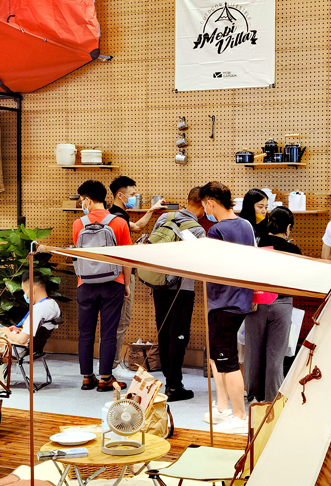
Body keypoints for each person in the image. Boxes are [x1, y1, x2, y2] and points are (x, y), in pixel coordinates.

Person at [199, 181, 254, 435]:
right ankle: (223, 408)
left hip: (224, 302)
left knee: (227, 361)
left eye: (204, 205)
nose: (205, 210)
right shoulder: (246, 225)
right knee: (219, 356)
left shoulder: (216, 230)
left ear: (210, 203)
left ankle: (240, 415)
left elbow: (212, 266)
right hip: (240, 299)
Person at [145, 188, 206, 402]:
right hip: (182, 289)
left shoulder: (164, 218)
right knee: (179, 336)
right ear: (204, 205)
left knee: (163, 333)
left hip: (159, 284)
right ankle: (174, 385)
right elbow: (198, 263)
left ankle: (167, 380)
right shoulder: (197, 230)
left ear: (187, 200)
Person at [71, 180, 132, 392]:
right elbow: (127, 258)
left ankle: (87, 377)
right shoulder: (119, 222)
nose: (81, 203)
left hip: (85, 284)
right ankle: (106, 377)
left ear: (88, 200)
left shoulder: (78, 224)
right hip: (112, 283)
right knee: (109, 332)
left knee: (85, 332)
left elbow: (78, 255)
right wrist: (126, 284)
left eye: (81, 200)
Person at [107, 176, 165, 377]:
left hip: (111, 275)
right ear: (120, 195)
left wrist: (151, 210)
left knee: (115, 322)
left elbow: (138, 226)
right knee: (121, 322)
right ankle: (112, 364)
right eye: (131, 194)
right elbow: (124, 251)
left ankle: (108, 364)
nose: (134, 198)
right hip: (121, 275)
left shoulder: (114, 215)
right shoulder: (119, 217)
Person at [246, 207, 299, 403]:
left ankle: (254, 396)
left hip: (257, 301)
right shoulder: (293, 250)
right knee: (276, 356)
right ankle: (272, 399)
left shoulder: (257, 245)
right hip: (282, 302)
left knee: (253, 353)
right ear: (288, 227)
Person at [7, 270, 61, 347]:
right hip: (33, 347)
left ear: (32, 290)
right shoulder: (52, 304)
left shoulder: (38, 309)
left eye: (25, 291)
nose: (25, 295)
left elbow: (21, 340)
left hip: (18, 348)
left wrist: (6, 332)